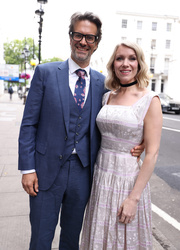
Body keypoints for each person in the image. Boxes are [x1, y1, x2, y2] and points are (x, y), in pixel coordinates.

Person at [18, 13, 144, 250]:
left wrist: (143, 141)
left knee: (72, 238)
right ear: (70, 37)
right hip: (44, 172)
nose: (83, 42)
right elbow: (29, 124)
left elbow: (126, 113)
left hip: (83, 174)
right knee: (40, 238)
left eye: (90, 37)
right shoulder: (45, 73)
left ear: (97, 43)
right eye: (79, 35)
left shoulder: (103, 84)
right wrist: (28, 168)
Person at [80, 41, 162, 250]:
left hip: (128, 182)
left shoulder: (149, 99)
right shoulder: (107, 96)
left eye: (131, 58)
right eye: (120, 58)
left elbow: (152, 153)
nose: (125, 63)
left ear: (140, 64)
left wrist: (133, 199)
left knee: (123, 237)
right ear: (113, 64)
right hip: (101, 178)